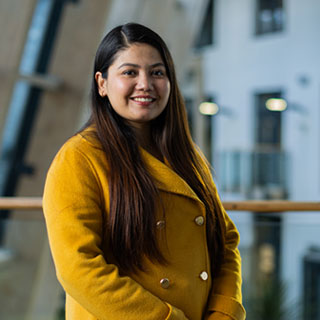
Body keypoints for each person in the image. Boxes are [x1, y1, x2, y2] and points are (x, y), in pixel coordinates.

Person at [43, 23, 245, 320]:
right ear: (102, 83)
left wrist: (224, 312)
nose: (145, 84)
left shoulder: (187, 156)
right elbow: (78, 267)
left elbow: (225, 241)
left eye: (157, 72)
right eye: (129, 72)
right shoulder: (79, 158)